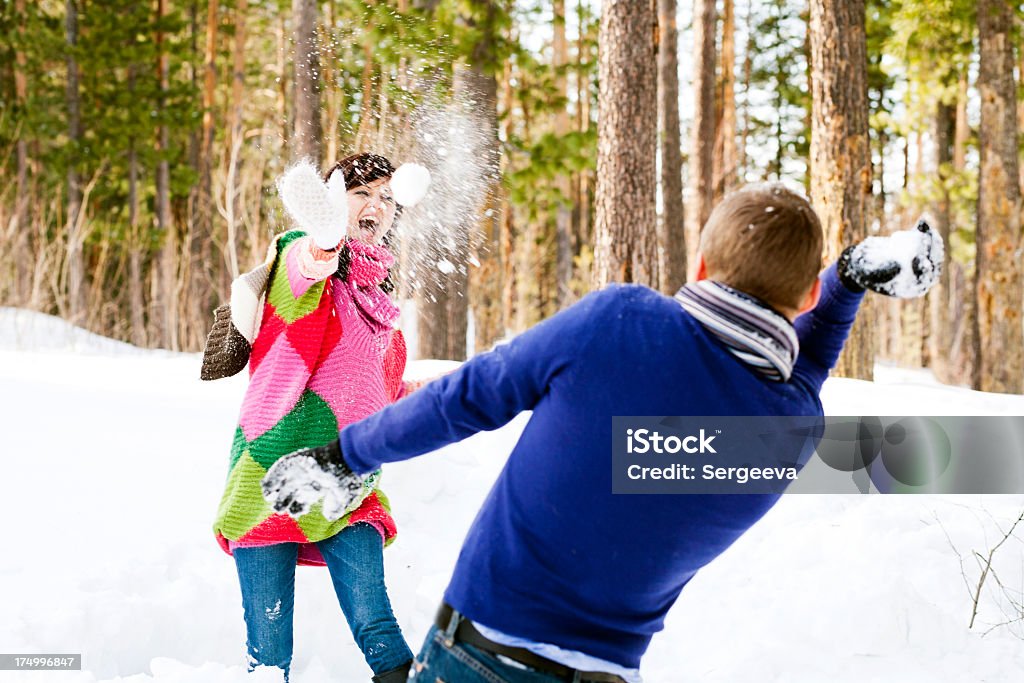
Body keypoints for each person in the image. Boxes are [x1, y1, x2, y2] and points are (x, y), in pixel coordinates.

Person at [261, 185, 942, 682]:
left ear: (701, 269)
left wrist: (344, 455)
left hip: (481, 657)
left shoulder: (618, 321)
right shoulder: (792, 425)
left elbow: (470, 397)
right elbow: (805, 366)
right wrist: (849, 277)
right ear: (806, 301)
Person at [208, 153, 421, 683]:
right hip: (270, 473)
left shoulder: (379, 308)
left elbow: (381, 394)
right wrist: (323, 238)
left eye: (387, 197)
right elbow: (307, 265)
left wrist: (467, 388)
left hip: (344, 480)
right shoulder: (297, 264)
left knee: (377, 621)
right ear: (331, 201)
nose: (376, 205)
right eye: (361, 193)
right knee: (270, 649)